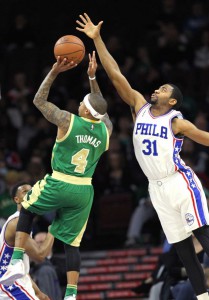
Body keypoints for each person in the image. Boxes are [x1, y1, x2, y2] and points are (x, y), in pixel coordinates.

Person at [76, 13, 209, 300]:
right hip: (156, 188)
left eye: (163, 89)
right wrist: (97, 39)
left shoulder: (177, 121)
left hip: (180, 183)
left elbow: (206, 139)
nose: (157, 89)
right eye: (158, 86)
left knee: (205, 239)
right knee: (185, 254)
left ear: (171, 100)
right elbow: (115, 75)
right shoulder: (139, 106)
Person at [0, 51, 113, 300]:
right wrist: (93, 77)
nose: (80, 104)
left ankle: (17, 261)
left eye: (83, 103)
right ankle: (71, 294)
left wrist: (54, 72)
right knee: (72, 243)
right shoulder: (106, 132)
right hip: (85, 190)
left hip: (60, 180)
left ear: (85, 110)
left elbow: (39, 101)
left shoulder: (67, 120)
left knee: (27, 208)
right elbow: (101, 110)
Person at [0, 182, 54, 299]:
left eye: (32, 190)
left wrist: (38, 292)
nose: (30, 193)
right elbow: (40, 256)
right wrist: (53, 231)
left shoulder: (25, 222)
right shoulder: (16, 223)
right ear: (17, 199)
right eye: (25, 191)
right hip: (8, 284)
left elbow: (21, 267)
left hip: (15, 280)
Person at [30, 232, 62, 300]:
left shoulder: (46, 269)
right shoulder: (31, 266)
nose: (38, 245)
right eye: (36, 242)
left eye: (41, 242)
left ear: (49, 243)